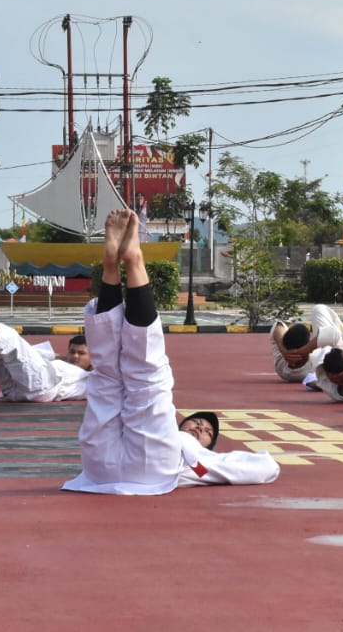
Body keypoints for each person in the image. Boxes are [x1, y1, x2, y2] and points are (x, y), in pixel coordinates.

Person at [63, 209, 280, 495]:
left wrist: (196, 462)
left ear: (208, 446)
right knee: (106, 374)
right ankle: (113, 264)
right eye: (200, 425)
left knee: (135, 376)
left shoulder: (200, 457)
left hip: (139, 468)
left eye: (206, 433)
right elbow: (264, 468)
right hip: (101, 469)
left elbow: (263, 468)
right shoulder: (193, 455)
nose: (200, 430)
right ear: (180, 423)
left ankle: (128, 262)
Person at [0, 317, 89, 402]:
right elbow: (31, 353)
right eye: (72, 352)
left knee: (11, 340)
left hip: (42, 386)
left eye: (81, 353)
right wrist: (58, 356)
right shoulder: (61, 361)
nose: (75, 356)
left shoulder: (93, 376)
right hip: (12, 391)